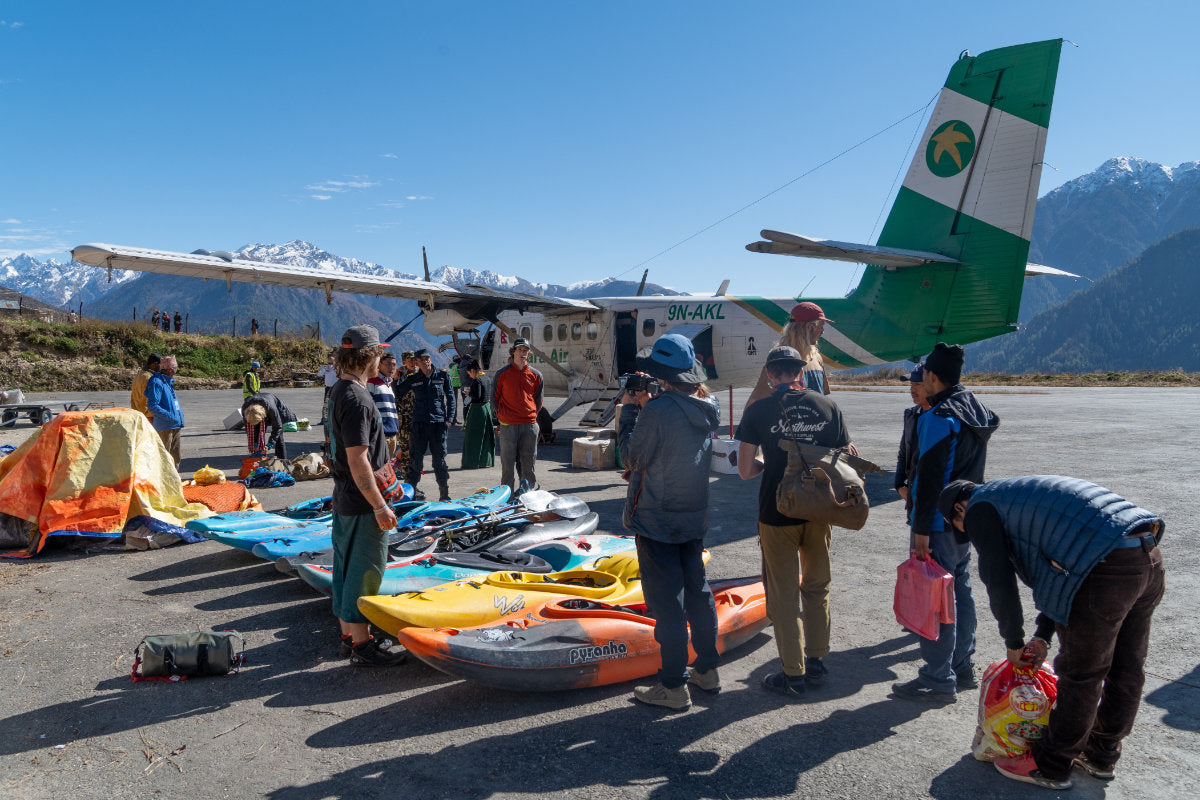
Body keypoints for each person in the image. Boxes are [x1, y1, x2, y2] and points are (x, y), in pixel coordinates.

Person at [938, 476, 1165, 790]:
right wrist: (1043, 636)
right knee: (1127, 665)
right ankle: (1101, 754)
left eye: (958, 526)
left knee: (1081, 673)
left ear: (959, 510)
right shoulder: (1019, 497)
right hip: (1147, 554)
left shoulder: (979, 508)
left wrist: (1014, 641)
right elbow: (1058, 571)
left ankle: (1052, 764)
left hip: (1105, 567)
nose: (965, 534)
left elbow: (998, 578)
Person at [735, 345, 856, 698]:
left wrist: (767, 467)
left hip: (777, 512)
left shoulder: (758, 410)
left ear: (770, 374)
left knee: (784, 595)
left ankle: (793, 674)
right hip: (820, 510)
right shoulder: (828, 406)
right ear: (801, 373)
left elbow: (744, 471)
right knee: (817, 588)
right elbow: (847, 458)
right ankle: (817, 662)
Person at [891, 342, 999, 703]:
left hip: (937, 522)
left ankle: (937, 676)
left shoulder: (938, 418)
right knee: (960, 590)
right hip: (964, 518)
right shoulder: (975, 408)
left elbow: (929, 478)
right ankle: (962, 664)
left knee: (934, 597)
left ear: (933, 376)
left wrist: (921, 529)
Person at [620, 334, 722, 710]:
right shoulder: (707, 405)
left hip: (657, 517)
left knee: (667, 604)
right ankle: (707, 670)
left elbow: (631, 457)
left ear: (663, 376)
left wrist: (631, 410)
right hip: (693, 514)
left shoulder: (658, 411)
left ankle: (674, 686)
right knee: (698, 592)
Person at [326, 324, 406, 666]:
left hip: (345, 496)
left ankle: (349, 634)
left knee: (345, 568)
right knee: (366, 569)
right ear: (368, 355)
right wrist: (380, 506)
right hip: (361, 501)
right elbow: (357, 458)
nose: (380, 360)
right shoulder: (358, 398)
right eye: (377, 354)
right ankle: (363, 645)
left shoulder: (339, 390)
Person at [393, 348, 455, 502]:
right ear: (417, 362)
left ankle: (444, 495)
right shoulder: (414, 378)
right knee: (415, 462)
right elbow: (398, 392)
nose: (426, 361)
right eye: (422, 359)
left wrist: (449, 419)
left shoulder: (442, 375)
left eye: (428, 358)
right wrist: (396, 378)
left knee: (439, 462)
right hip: (419, 425)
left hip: (438, 425)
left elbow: (451, 397)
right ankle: (410, 496)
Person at [745, 301, 834, 407]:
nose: (822, 331)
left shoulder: (815, 356)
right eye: (821, 326)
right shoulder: (779, 360)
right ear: (810, 327)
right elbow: (755, 402)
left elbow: (753, 404)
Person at [492, 337, 544, 494]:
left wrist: (529, 414)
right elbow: (494, 399)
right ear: (513, 352)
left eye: (525, 350)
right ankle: (506, 495)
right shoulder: (502, 374)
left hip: (529, 425)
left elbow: (538, 401)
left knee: (528, 462)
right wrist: (501, 418)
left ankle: (526, 494)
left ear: (529, 354)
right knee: (507, 463)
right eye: (519, 350)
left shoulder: (536, 375)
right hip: (508, 425)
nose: (522, 353)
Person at [894, 363, 931, 517]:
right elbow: (903, 453)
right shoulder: (911, 415)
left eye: (917, 384)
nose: (912, 389)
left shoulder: (943, 419)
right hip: (913, 497)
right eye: (911, 384)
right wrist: (899, 485)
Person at [145, 355, 184, 468]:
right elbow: (152, 406)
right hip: (165, 426)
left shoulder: (167, 382)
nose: (175, 371)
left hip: (175, 424)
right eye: (175, 368)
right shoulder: (157, 382)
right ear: (169, 370)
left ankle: (174, 481)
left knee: (175, 457)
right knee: (165, 457)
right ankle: (163, 483)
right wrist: (169, 416)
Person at [459, 359, 495, 470]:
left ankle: (472, 462)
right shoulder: (487, 378)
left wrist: (468, 393)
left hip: (478, 410)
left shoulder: (477, 380)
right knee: (485, 437)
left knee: (473, 437)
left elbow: (477, 396)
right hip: (487, 408)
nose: (470, 376)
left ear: (473, 370)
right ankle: (485, 461)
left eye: (469, 373)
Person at [242, 392, 298, 460]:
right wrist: (255, 443)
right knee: (257, 431)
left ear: (263, 417)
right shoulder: (245, 409)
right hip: (258, 410)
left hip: (272, 405)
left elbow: (278, 427)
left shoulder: (271, 409)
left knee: (279, 437)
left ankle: (282, 461)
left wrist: (270, 444)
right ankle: (260, 456)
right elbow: (250, 430)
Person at [367, 353, 400, 458]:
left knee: (387, 467)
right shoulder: (372, 382)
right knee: (378, 468)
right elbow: (368, 408)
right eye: (388, 364)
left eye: (394, 364)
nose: (391, 367)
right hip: (380, 434)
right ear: (379, 364)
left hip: (393, 434)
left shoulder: (389, 384)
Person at [394, 350, 417, 479]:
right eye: (410, 360)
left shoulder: (420, 375)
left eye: (415, 360)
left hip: (418, 419)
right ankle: (408, 480)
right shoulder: (399, 377)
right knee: (406, 453)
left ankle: (414, 481)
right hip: (404, 420)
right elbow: (395, 396)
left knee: (417, 453)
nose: (414, 362)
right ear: (404, 362)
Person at [130, 353, 161, 423]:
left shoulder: (139, 375)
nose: (161, 367)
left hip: (137, 413)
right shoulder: (149, 378)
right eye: (160, 365)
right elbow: (147, 399)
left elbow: (133, 397)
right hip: (148, 416)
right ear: (154, 364)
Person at [317, 351, 339, 429]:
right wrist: (324, 370)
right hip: (328, 387)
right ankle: (324, 419)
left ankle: (336, 420)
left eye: (331, 357)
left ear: (335, 358)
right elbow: (319, 374)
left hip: (336, 388)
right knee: (326, 404)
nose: (329, 359)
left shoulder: (338, 367)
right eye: (328, 357)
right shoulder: (325, 367)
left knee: (336, 404)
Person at [448, 356, 462, 425]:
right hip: (455, 386)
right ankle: (453, 420)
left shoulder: (452, 366)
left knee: (454, 403)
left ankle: (454, 419)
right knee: (454, 403)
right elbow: (460, 375)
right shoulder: (458, 366)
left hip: (452, 385)